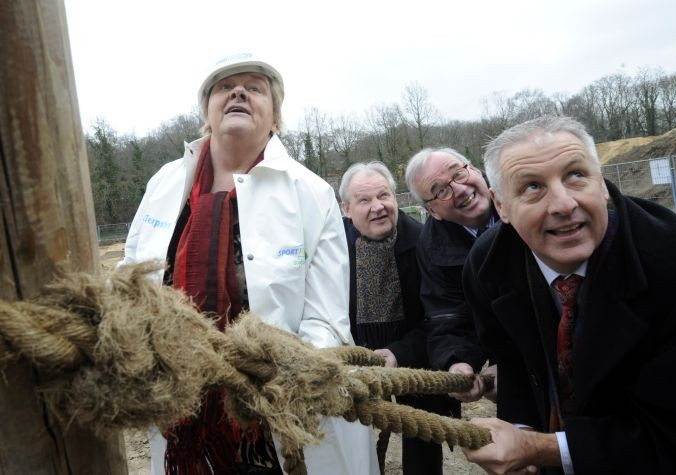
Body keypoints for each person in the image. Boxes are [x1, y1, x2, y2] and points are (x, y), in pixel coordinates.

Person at [121, 52, 378, 475]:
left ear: (275, 116)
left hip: (280, 410)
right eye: (225, 86)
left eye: (254, 88)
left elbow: (327, 318)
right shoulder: (165, 182)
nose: (238, 91)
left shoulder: (310, 192)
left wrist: (277, 382)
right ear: (206, 111)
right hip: (179, 400)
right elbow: (131, 271)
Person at [461, 115, 676, 474]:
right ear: (501, 207)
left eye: (576, 175)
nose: (563, 204)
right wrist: (521, 428)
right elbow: (515, 361)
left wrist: (539, 448)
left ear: (602, 183)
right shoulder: (487, 266)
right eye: (531, 187)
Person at [339, 161, 459, 475]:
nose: (378, 207)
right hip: (356, 355)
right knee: (355, 437)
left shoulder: (426, 244)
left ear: (395, 197)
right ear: (347, 209)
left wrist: (398, 353)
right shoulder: (333, 247)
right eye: (364, 201)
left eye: (384, 196)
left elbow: (438, 318)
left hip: (415, 356)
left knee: (421, 437)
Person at [404, 148, 498, 402]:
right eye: (441, 190)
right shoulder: (432, 247)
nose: (460, 189)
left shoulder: (521, 200)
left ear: (476, 170)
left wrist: (520, 362)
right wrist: (457, 364)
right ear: (432, 211)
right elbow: (447, 316)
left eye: (459, 173)